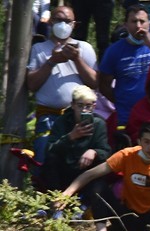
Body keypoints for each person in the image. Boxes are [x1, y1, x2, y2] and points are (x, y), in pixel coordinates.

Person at [58, 121, 150, 231]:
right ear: (139, 141)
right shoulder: (126, 155)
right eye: (147, 142)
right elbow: (89, 174)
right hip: (127, 216)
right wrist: (67, 193)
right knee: (98, 186)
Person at [26, 4, 100, 178]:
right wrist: (52, 61)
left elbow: (95, 82)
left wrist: (76, 59)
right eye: (59, 20)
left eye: (67, 21)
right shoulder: (39, 49)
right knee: (45, 157)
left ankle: (75, 201)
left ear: (74, 24)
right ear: (51, 22)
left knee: (77, 163)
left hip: (78, 117)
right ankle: (42, 199)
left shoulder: (85, 48)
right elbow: (31, 85)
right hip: (49, 118)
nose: (63, 24)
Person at [98, 4, 150, 130]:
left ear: (149, 23)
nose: (138, 26)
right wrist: (121, 100)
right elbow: (104, 85)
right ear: (126, 25)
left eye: (142, 21)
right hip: (127, 118)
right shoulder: (114, 51)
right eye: (134, 21)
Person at [42, 86, 113, 199]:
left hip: (86, 171)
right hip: (64, 169)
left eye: (88, 106)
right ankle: (54, 202)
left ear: (94, 107)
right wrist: (70, 137)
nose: (84, 110)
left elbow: (106, 151)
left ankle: (85, 208)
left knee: (100, 181)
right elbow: (50, 149)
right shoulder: (62, 121)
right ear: (73, 105)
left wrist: (94, 152)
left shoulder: (99, 124)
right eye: (80, 106)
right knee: (51, 160)